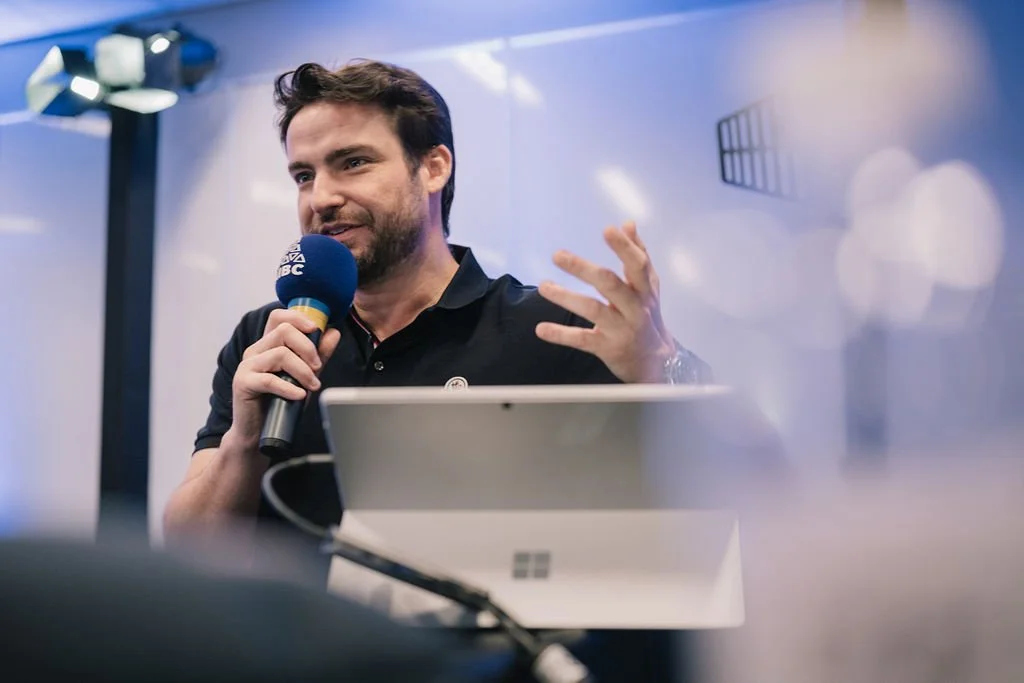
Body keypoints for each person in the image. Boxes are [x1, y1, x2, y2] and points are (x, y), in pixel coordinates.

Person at [163, 59, 712, 682]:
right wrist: (242, 442)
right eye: (302, 175)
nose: (321, 198)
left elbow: (739, 484)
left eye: (353, 162)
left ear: (434, 167)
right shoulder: (268, 336)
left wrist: (660, 365)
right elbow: (190, 552)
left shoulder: (546, 328)